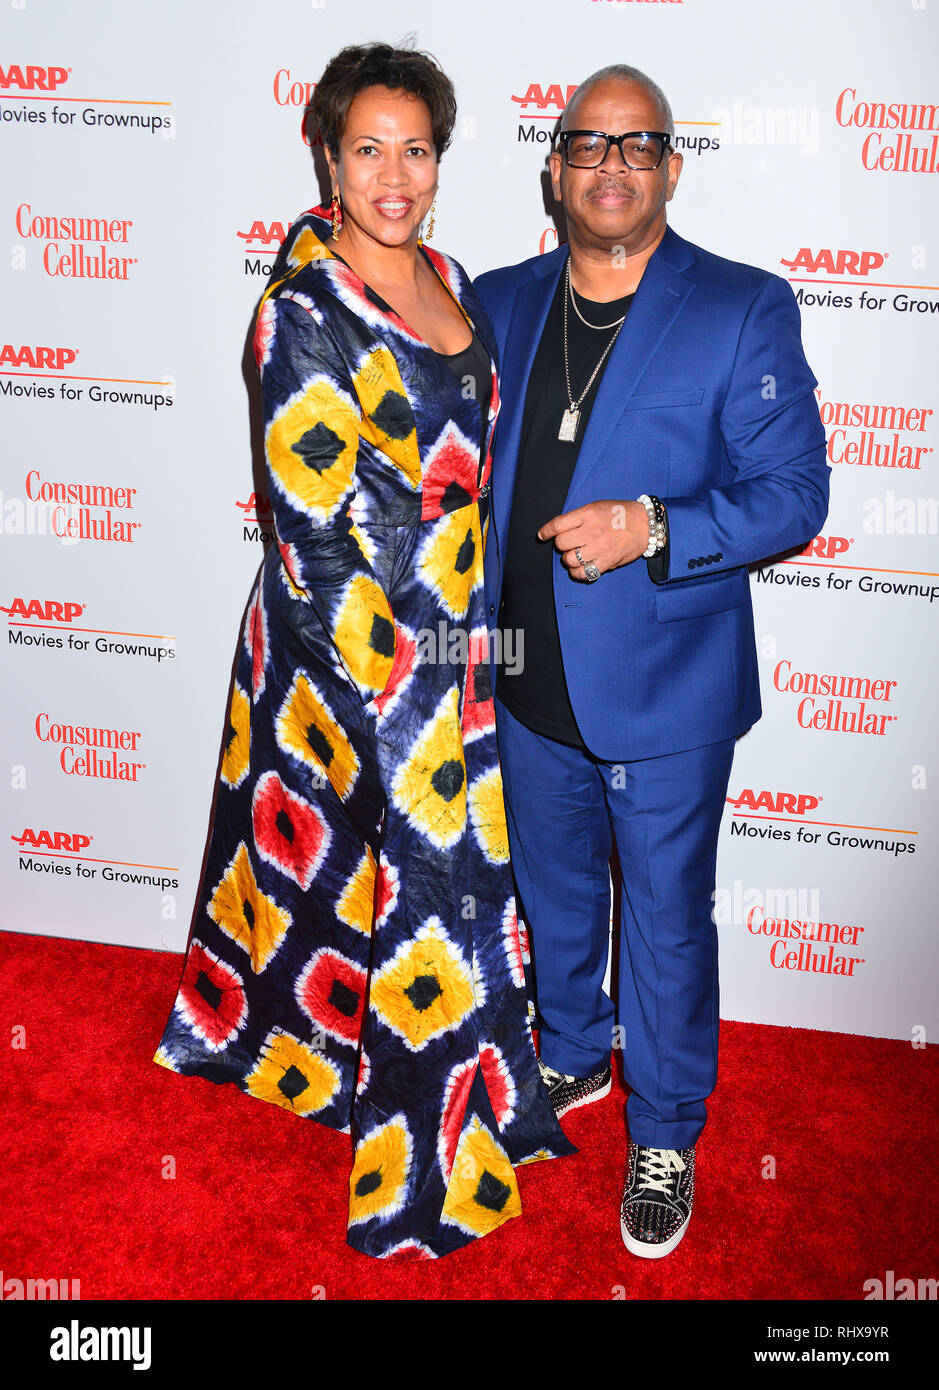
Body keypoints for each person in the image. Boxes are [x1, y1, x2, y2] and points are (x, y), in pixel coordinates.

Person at [153, 42, 572, 1261]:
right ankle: (424, 1158)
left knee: (400, 880)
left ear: (441, 161)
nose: (395, 174)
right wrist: (387, 689)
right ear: (327, 156)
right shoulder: (302, 307)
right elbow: (313, 529)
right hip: (347, 645)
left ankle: (348, 1065)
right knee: (419, 885)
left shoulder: (446, 275)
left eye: (417, 148)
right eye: (369, 148)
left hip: (451, 634)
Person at [474, 63, 829, 1258]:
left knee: (669, 921)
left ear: (671, 169)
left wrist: (657, 527)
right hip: (524, 673)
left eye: (640, 145)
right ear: (556, 168)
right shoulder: (504, 301)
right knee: (558, 895)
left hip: (668, 691)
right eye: (589, 144)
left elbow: (794, 496)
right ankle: (572, 1055)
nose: (613, 165)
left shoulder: (741, 306)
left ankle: (667, 1126)